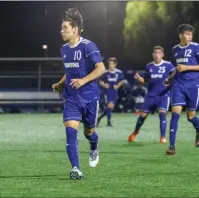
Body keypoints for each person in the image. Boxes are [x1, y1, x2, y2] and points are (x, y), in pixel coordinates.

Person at [52, 8, 105, 180]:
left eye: (65, 28)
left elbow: (101, 68)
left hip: (89, 97)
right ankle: (75, 168)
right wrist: (61, 82)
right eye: (61, 28)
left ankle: (94, 146)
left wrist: (83, 81)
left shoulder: (88, 46)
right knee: (70, 131)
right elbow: (71, 70)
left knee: (89, 132)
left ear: (75, 29)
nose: (61, 31)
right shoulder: (64, 49)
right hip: (72, 98)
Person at [165, 24, 199, 155]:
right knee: (175, 115)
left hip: (193, 85)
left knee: (190, 117)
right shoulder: (175, 49)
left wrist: (187, 67)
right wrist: (170, 77)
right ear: (180, 35)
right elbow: (178, 67)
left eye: (191, 34)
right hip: (178, 85)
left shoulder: (196, 47)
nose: (189, 37)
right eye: (187, 34)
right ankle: (172, 146)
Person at [128, 46, 175, 144]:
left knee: (162, 113)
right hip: (151, 95)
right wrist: (139, 78)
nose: (157, 55)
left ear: (162, 54)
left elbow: (174, 75)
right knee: (143, 115)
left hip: (164, 95)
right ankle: (135, 132)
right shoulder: (149, 66)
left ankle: (162, 137)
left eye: (159, 53)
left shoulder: (168, 65)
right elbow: (144, 81)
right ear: (152, 54)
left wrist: (171, 82)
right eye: (155, 53)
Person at [97, 57, 127, 126]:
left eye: (112, 64)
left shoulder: (119, 72)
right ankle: (108, 122)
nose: (111, 65)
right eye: (109, 64)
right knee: (110, 106)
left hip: (115, 92)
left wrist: (117, 86)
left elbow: (123, 80)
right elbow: (100, 80)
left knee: (110, 108)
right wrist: (104, 84)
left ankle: (99, 118)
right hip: (108, 92)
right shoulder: (105, 72)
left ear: (115, 64)